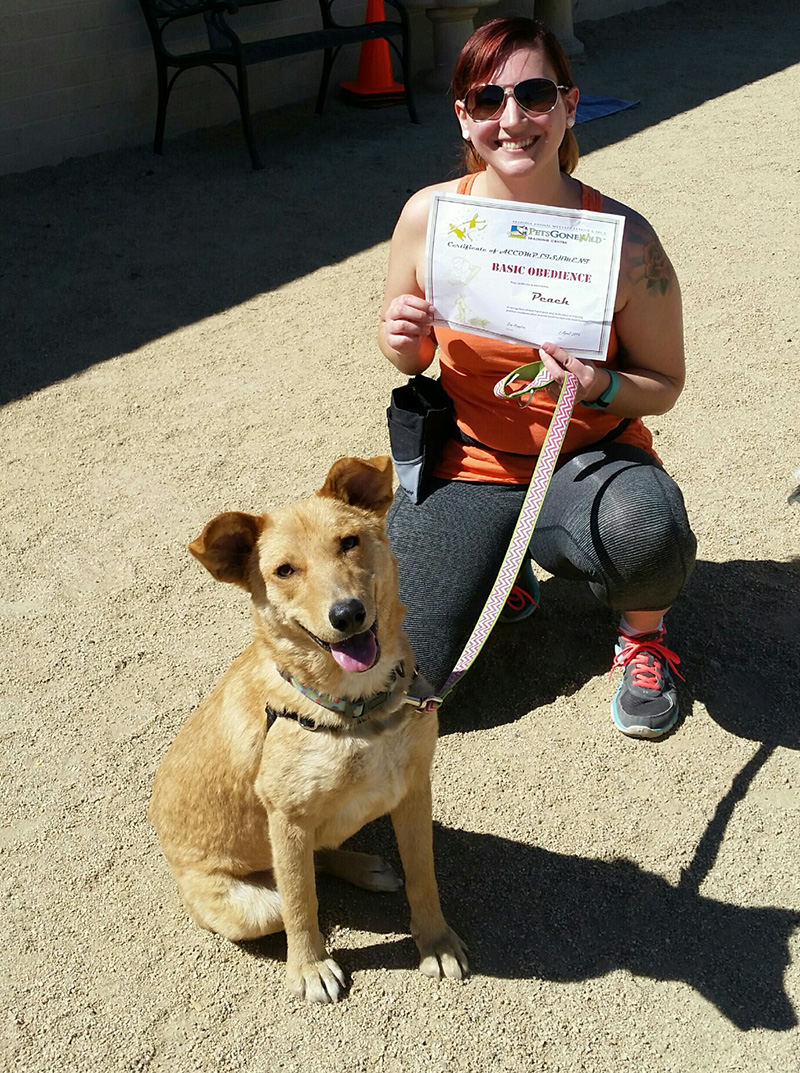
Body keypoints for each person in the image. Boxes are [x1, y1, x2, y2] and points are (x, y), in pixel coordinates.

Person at [378, 17, 696, 739]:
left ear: (570, 104)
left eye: (534, 94)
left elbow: (665, 384)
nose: (512, 119)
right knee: (402, 688)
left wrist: (598, 385)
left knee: (645, 529)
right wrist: (401, 339)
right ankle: (500, 566)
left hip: (584, 458)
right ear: (464, 114)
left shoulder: (625, 239)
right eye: (488, 100)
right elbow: (410, 357)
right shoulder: (430, 217)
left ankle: (643, 637)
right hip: (470, 463)